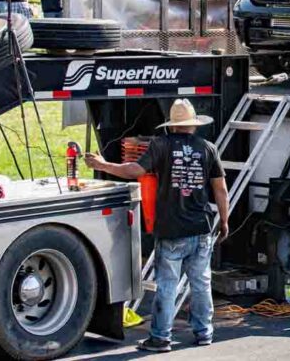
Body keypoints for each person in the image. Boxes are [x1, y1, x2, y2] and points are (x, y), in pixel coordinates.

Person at [84, 99, 229, 352]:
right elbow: (221, 189)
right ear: (193, 125)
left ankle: (161, 338)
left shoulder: (161, 146)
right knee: (201, 282)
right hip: (201, 227)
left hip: (172, 229)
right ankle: (204, 332)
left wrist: (102, 165)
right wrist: (224, 221)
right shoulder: (208, 148)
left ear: (172, 126)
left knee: (167, 285)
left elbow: (134, 171)